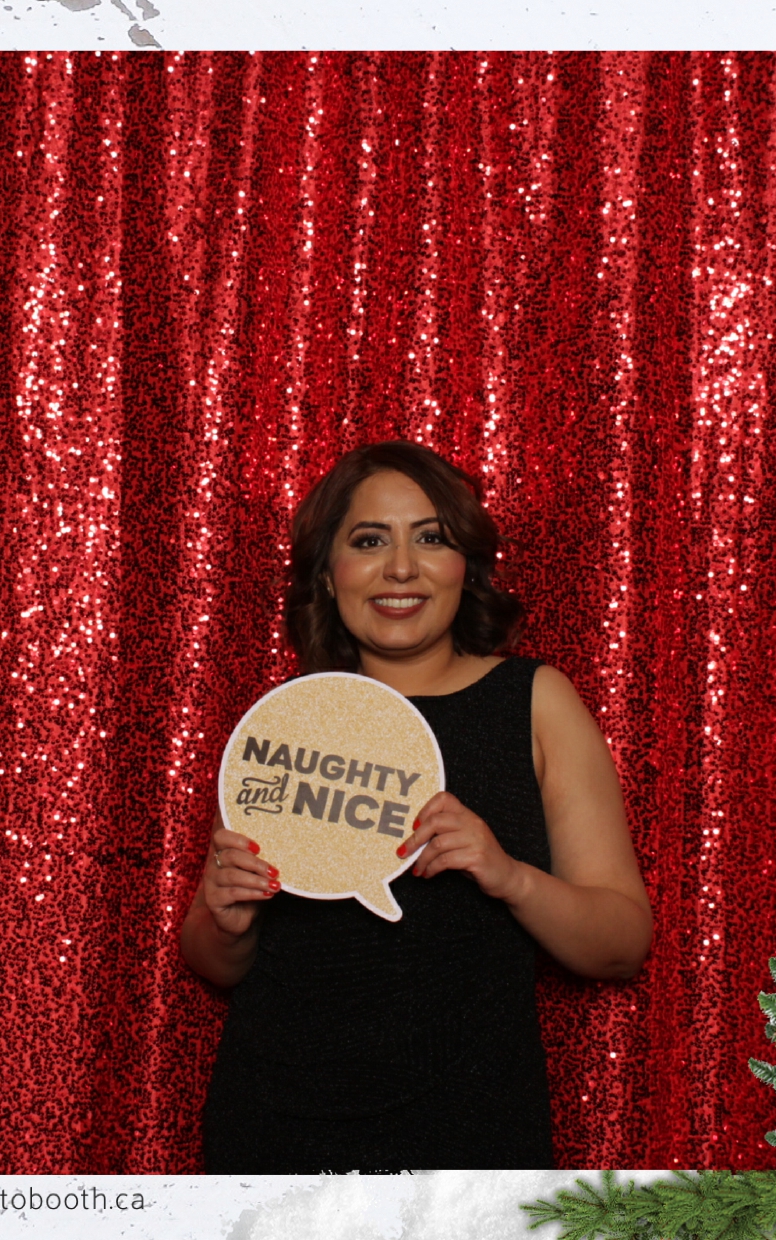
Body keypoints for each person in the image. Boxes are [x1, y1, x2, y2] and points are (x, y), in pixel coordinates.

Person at [180, 440, 653, 1171]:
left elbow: (622, 943)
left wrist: (509, 876)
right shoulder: (290, 720)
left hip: (472, 1134)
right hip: (278, 1131)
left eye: (431, 538)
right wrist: (227, 918)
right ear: (328, 575)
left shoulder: (534, 701)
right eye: (369, 541)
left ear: (467, 567)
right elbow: (213, 958)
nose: (401, 567)